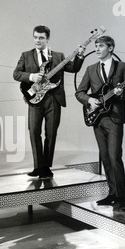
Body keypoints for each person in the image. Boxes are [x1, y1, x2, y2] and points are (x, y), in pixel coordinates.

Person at [13, 25, 85, 179]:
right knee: (33, 132)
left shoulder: (59, 56)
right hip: (35, 100)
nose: (37, 40)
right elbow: (16, 74)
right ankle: (38, 167)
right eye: (35, 37)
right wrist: (32, 77)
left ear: (47, 39)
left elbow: (73, 68)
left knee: (51, 134)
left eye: (41, 38)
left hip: (53, 98)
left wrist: (80, 55)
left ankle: (46, 167)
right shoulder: (26, 55)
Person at [75, 35, 125, 211]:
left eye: (100, 46)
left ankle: (122, 198)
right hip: (97, 118)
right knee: (105, 157)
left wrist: (120, 93)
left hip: (115, 117)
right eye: (95, 46)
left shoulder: (123, 67)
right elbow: (80, 92)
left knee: (115, 156)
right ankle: (112, 194)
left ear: (111, 48)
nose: (97, 49)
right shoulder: (90, 68)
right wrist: (89, 101)